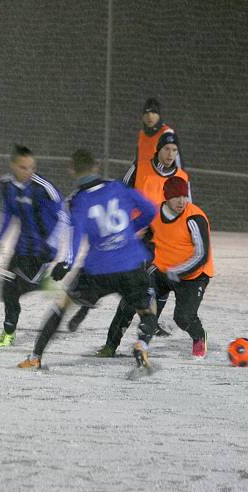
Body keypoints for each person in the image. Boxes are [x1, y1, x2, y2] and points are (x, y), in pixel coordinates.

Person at [18, 149, 157, 371]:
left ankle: (35, 356)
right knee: (148, 309)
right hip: (130, 263)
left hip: (98, 269)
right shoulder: (118, 188)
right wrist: (130, 231)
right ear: (96, 166)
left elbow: (76, 235)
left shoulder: (77, 201)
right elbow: (151, 211)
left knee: (62, 305)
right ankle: (141, 345)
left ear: (72, 171)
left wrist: (66, 264)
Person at [67, 129, 189, 337]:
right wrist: (129, 225)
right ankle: (90, 313)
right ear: (158, 149)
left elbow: (186, 206)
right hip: (136, 232)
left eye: (174, 150)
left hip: (163, 236)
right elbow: (119, 193)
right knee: (120, 275)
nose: (170, 154)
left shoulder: (181, 176)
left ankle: (151, 321)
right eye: (167, 149)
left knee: (156, 280)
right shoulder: (140, 167)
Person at [102, 176, 214, 358]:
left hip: (193, 276)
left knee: (183, 318)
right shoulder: (154, 213)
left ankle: (199, 337)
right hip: (163, 270)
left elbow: (202, 256)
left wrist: (178, 272)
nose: (181, 201)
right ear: (166, 196)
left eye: (184, 196)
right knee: (131, 301)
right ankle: (110, 346)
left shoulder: (194, 218)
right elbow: (145, 237)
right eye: (176, 196)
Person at [0, 145, 65, 347]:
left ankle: (42, 282)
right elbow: (8, 213)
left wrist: (52, 245)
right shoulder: (6, 185)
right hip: (21, 248)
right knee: (6, 290)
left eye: (32, 167)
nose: (29, 171)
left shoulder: (44, 188)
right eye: (23, 167)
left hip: (42, 252)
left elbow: (63, 217)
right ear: (13, 166)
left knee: (15, 288)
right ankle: (8, 333)